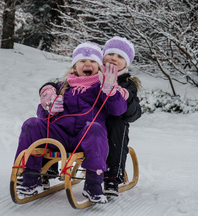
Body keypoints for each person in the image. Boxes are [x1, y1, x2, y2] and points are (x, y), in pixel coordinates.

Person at [14, 42, 127, 204]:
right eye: (82, 61)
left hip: (85, 138)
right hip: (60, 136)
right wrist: (49, 107)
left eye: (93, 61)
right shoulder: (62, 87)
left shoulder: (101, 87)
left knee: (95, 128)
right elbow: (43, 115)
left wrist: (109, 89)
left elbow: (118, 110)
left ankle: (93, 184)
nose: (88, 64)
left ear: (99, 66)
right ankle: (30, 176)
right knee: (31, 124)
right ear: (74, 66)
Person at [102, 36, 142, 197]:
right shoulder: (89, 72)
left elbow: (134, 112)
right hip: (89, 124)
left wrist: (123, 96)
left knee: (117, 123)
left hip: (113, 128)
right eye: (110, 53)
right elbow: (65, 83)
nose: (114, 58)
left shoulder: (128, 84)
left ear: (126, 63)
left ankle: (112, 175)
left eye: (120, 56)